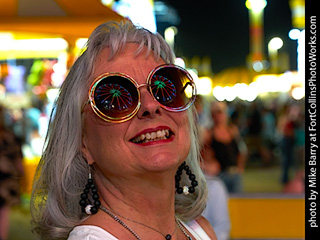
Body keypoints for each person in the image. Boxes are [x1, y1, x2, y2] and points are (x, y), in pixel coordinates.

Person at [30, 20, 217, 240]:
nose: (150, 106)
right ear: (82, 141)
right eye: (115, 99)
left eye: (165, 87)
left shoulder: (200, 231)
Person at [202, 101, 247, 193]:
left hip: (235, 173)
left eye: (220, 112)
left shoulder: (233, 130)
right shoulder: (209, 134)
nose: (218, 116)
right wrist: (209, 166)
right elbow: (201, 155)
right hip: (219, 175)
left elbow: (242, 150)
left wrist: (240, 166)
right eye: (215, 113)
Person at [0, 105, 24, 240]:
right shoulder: (10, 136)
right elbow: (17, 158)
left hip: (6, 178)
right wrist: (22, 174)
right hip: (7, 179)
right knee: (4, 210)